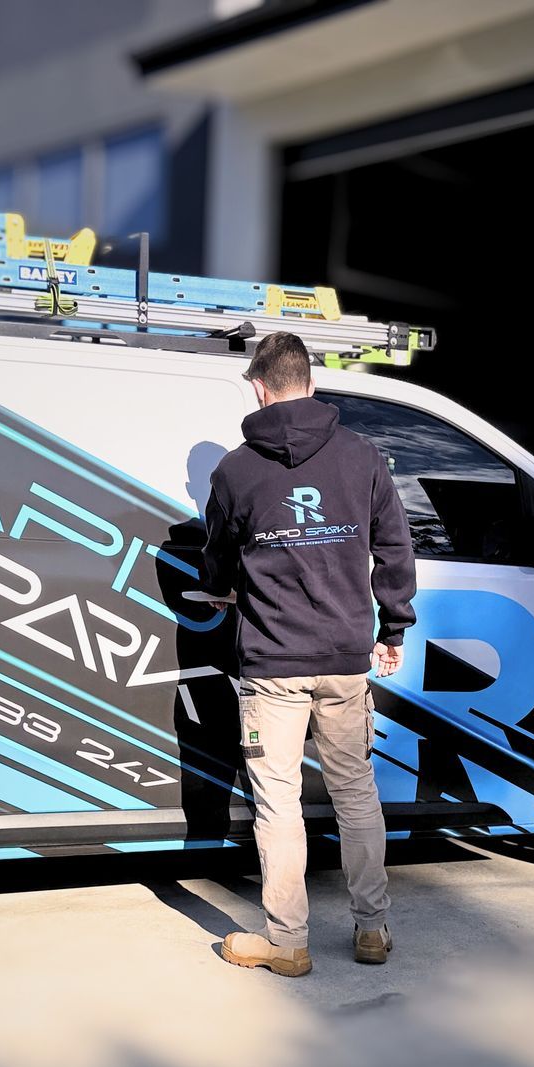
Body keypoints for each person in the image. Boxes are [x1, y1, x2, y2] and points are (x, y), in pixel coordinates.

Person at [198, 331, 417, 978]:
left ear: (259, 388)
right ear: (311, 384)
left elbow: (217, 557)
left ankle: (288, 943)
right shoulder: (363, 456)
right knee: (356, 794)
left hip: (273, 664)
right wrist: (394, 628)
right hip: (345, 660)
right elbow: (395, 548)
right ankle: (372, 929)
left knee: (278, 802)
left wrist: (223, 587)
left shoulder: (235, 470)